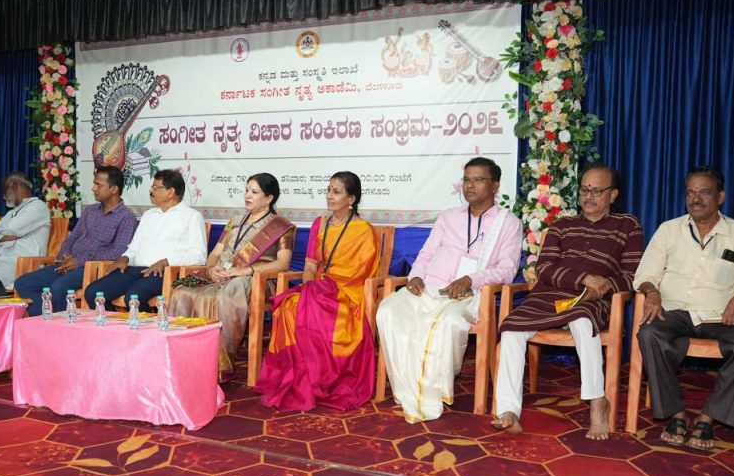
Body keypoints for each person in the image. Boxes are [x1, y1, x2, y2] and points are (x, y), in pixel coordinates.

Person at [493, 164, 644, 440]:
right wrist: (583, 278)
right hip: (548, 296)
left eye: (597, 191)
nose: (589, 196)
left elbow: (632, 275)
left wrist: (604, 286)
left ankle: (597, 401)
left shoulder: (627, 226)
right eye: (584, 190)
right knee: (512, 327)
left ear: (613, 195)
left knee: (582, 319)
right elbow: (544, 269)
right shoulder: (562, 225)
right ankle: (509, 410)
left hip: (592, 300)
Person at [634, 166, 734, 451]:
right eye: (690, 193)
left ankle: (709, 416)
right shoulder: (669, 230)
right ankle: (676, 413)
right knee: (649, 333)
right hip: (674, 311)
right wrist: (652, 291)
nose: (695, 199)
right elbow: (644, 275)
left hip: (720, 316)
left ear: (720, 197)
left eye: (704, 192)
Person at [375, 157, 523, 422]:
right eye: (466, 179)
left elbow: (507, 270)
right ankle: (408, 388)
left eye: (478, 180)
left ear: (495, 185)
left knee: (447, 322)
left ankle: (429, 394)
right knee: (388, 310)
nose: (470, 185)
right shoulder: (448, 217)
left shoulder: (508, 223)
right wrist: (415, 276)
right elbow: (426, 253)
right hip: (429, 288)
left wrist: (470, 279)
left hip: (468, 295)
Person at [255, 171, 378, 411]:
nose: (329, 196)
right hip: (318, 287)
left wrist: (325, 289)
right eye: (328, 190)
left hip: (345, 293)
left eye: (336, 192)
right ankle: (297, 378)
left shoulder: (363, 230)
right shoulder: (319, 224)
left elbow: (360, 273)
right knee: (290, 306)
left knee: (312, 311)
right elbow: (310, 265)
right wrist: (310, 287)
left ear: (351, 199)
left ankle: (320, 380)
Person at [168, 173, 295, 377]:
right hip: (221, 275)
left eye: (254, 192)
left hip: (256, 279)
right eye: (246, 190)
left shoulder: (281, 227)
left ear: (269, 198)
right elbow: (215, 254)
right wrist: (211, 269)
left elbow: (283, 264)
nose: (247, 195)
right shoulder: (235, 221)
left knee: (231, 290)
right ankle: (182, 356)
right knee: (181, 292)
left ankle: (218, 363)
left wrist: (243, 271)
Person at [15, 166, 137, 316]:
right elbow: (73, 237)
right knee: (23, 283)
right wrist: (64, 256)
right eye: (94, 184)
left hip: (92, 269)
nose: (93, 188)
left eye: (98, 185)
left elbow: (118, 252)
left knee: (58, 287)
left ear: (114, 189)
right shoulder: (90, 211)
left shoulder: (126, 217)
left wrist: (79, 262)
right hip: (68, 264)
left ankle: (62, 326)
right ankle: (44, 320)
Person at [83, 169, 207, 310]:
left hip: (165, 273)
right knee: (94, 293)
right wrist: (125, 257)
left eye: (156, 187)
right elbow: (134, 247)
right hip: (135, 270)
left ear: (170, 192)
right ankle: (116, 324)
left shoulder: (192, 216)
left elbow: (199, 256)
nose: (151, 191)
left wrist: (167, 261)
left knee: (133, 297)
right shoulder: (149, 215)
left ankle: (146, 324)